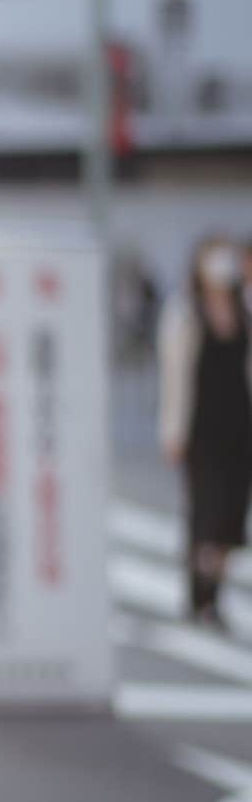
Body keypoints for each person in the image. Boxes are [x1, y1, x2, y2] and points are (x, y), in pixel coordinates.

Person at [157, 236, 251, 630]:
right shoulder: (185, 311)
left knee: (231, 514)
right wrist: (172, 431)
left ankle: (215, 590)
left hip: (241, 427)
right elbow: (174, 377)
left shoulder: (244, 307)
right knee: (205, 513)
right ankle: (201, 596)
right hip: (201, 430)